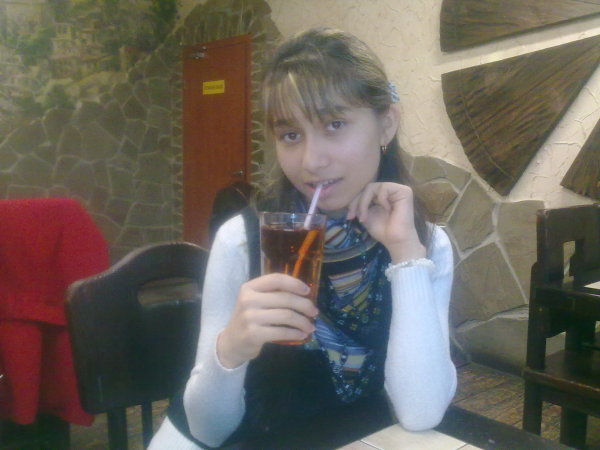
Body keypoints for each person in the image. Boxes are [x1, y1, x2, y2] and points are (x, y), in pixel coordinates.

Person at [149, 27, 456, 449]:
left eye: (335, 124)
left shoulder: (426, 245)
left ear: (386, 124)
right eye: (291, 135)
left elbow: (421, 412)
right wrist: (232, 348)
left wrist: (405, 256)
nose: (311, 161)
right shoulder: (243, 240)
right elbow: (206, 429)